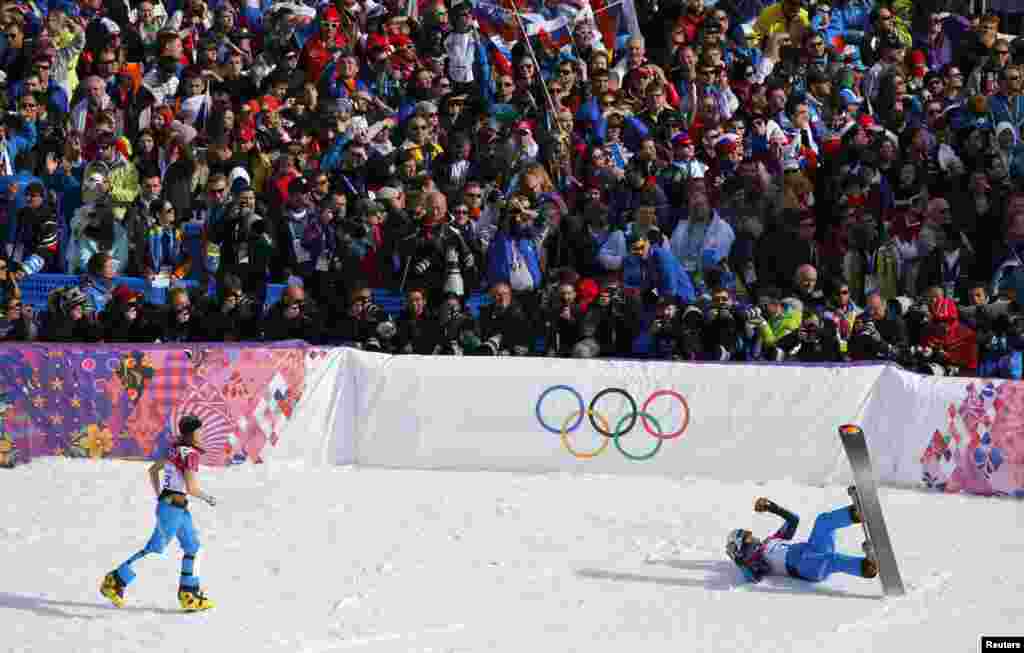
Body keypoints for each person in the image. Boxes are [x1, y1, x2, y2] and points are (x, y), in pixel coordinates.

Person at [101, 415, 216, 612]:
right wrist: (208, 498)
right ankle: (115, 581)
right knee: (155, 549)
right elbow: (191, 488)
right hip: (173, 509)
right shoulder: (189, 454)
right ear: (190, 434)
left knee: (193, 547)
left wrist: (160, 496)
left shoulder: (174, 450)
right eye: (199, 431)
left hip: (177, 508)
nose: (202, 435)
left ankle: (190, 593)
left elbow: (153, 470)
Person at [725, 496, 878, 584]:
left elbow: (793, 520)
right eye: (748, 538)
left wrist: (771, 507)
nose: (753, 538)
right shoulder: (755, 562)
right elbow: (753, 578)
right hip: (804, 566)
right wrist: (738, 560)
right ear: (741, 548)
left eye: (750, 535)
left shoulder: (771, 540)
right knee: (831, 560)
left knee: (823, 521)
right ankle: (866, 567)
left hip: (811, 548)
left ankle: (856, 513)